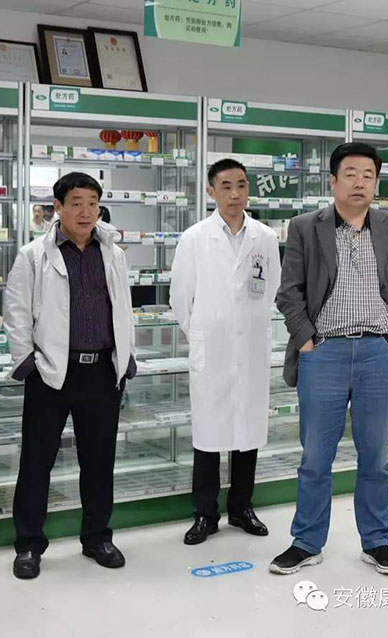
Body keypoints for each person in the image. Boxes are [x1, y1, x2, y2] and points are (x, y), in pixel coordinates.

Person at [271, 142, 388, 577]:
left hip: (380, 353)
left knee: (377, 455)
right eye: (351, 174)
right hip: (324, 353)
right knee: (315, 457)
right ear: (333, 181)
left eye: (368, 176)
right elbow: (289, 292)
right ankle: (306, 541)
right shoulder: (306, 227)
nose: (360, 183)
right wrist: (306, 340)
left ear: (376, 183)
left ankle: (376, 541)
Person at [4, 172, 136, 580]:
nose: (86, 212)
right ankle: (29, 545)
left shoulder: (112, 252)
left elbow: (123, 306)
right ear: (57, 207)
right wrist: (28, 364)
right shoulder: (33, 255)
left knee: (99, 462)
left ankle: (97, 537)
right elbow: (16, 312)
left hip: (102, 373)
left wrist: (126, 356)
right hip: (51, 374)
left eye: (93, 203)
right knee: (37, 463)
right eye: (76, 203)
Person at [170, 159, 280, 545]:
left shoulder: (265, 237)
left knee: (247, 432)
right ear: (211, 191)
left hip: (250, 346)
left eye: (242, 185)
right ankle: (205, 514)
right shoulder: (195, 238)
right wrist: (204, 331)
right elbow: (180, 297)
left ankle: (241, 508)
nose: (235, 194)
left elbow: (272, 288)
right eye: (227, 186)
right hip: (213, 349)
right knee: (209, 435)